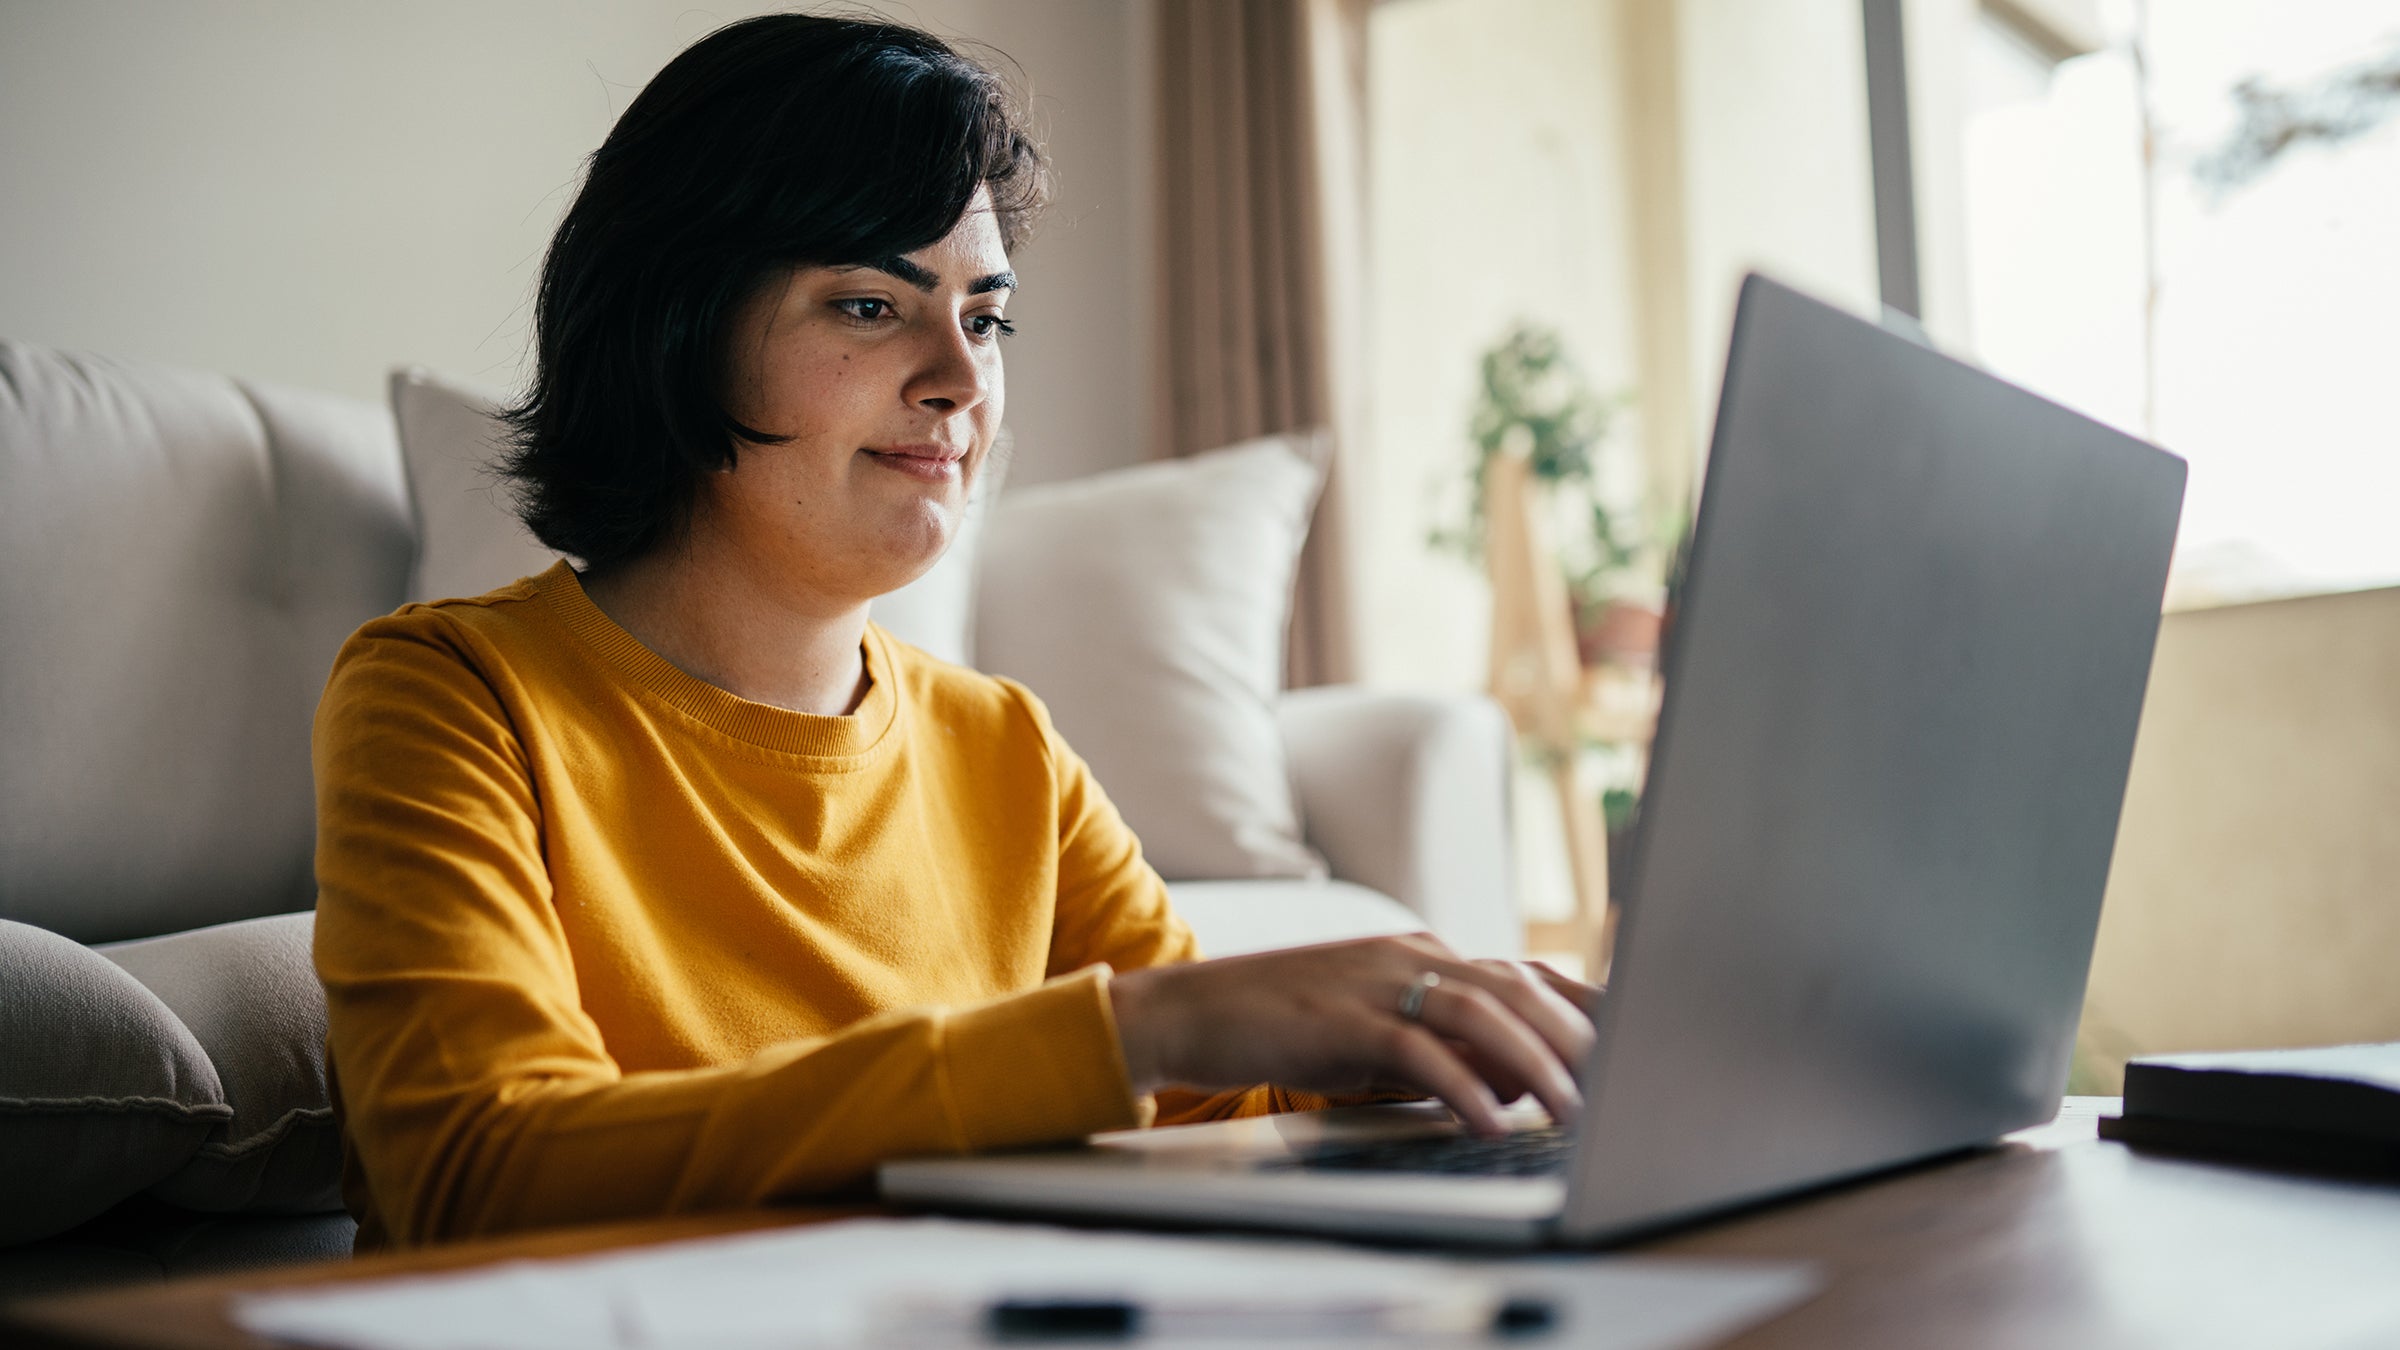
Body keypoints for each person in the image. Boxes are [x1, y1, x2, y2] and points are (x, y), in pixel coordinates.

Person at [313, 12, 1595, 1251]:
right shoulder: (450, 696)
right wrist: (1130, 1032)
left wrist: (1446, 1044)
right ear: (679, 329)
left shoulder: (1004, 749)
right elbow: (478, 1169)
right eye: (872, 304)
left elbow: (1222, 1096)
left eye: (984, 315)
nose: (962, 379)